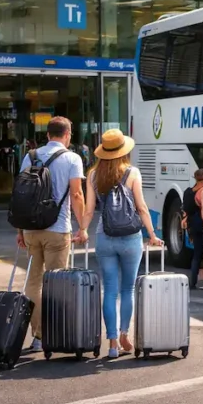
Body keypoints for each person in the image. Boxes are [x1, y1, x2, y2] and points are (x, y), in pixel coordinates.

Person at [78, 129, 162, 358]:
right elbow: (142, 207)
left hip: (105, 237)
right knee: (127, 289)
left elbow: (88, 209)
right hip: (130, 239)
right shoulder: (133, 173)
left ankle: (113, 343)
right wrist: (152, 235)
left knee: (110, 291)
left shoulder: (94, 175)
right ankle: (125, 332)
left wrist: (82, 230)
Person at [16, 116, 85, 353]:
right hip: (57, 229)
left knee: (33, 283)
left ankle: (37, 336)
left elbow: (21, 194)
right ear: (68, 135)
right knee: (55, 283)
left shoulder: (31, 156)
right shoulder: (72, 158)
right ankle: (54, 335)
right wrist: (83, 227)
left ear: (47, 134)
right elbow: (76, 195)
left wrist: (20, 229)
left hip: (31, 230)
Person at [181, 169, 203, 290]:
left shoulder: (187, 192)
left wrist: (185, 220)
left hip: (192, 223)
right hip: (201, 222)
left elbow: (185, 208)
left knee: (197, 253)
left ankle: (192, 281)